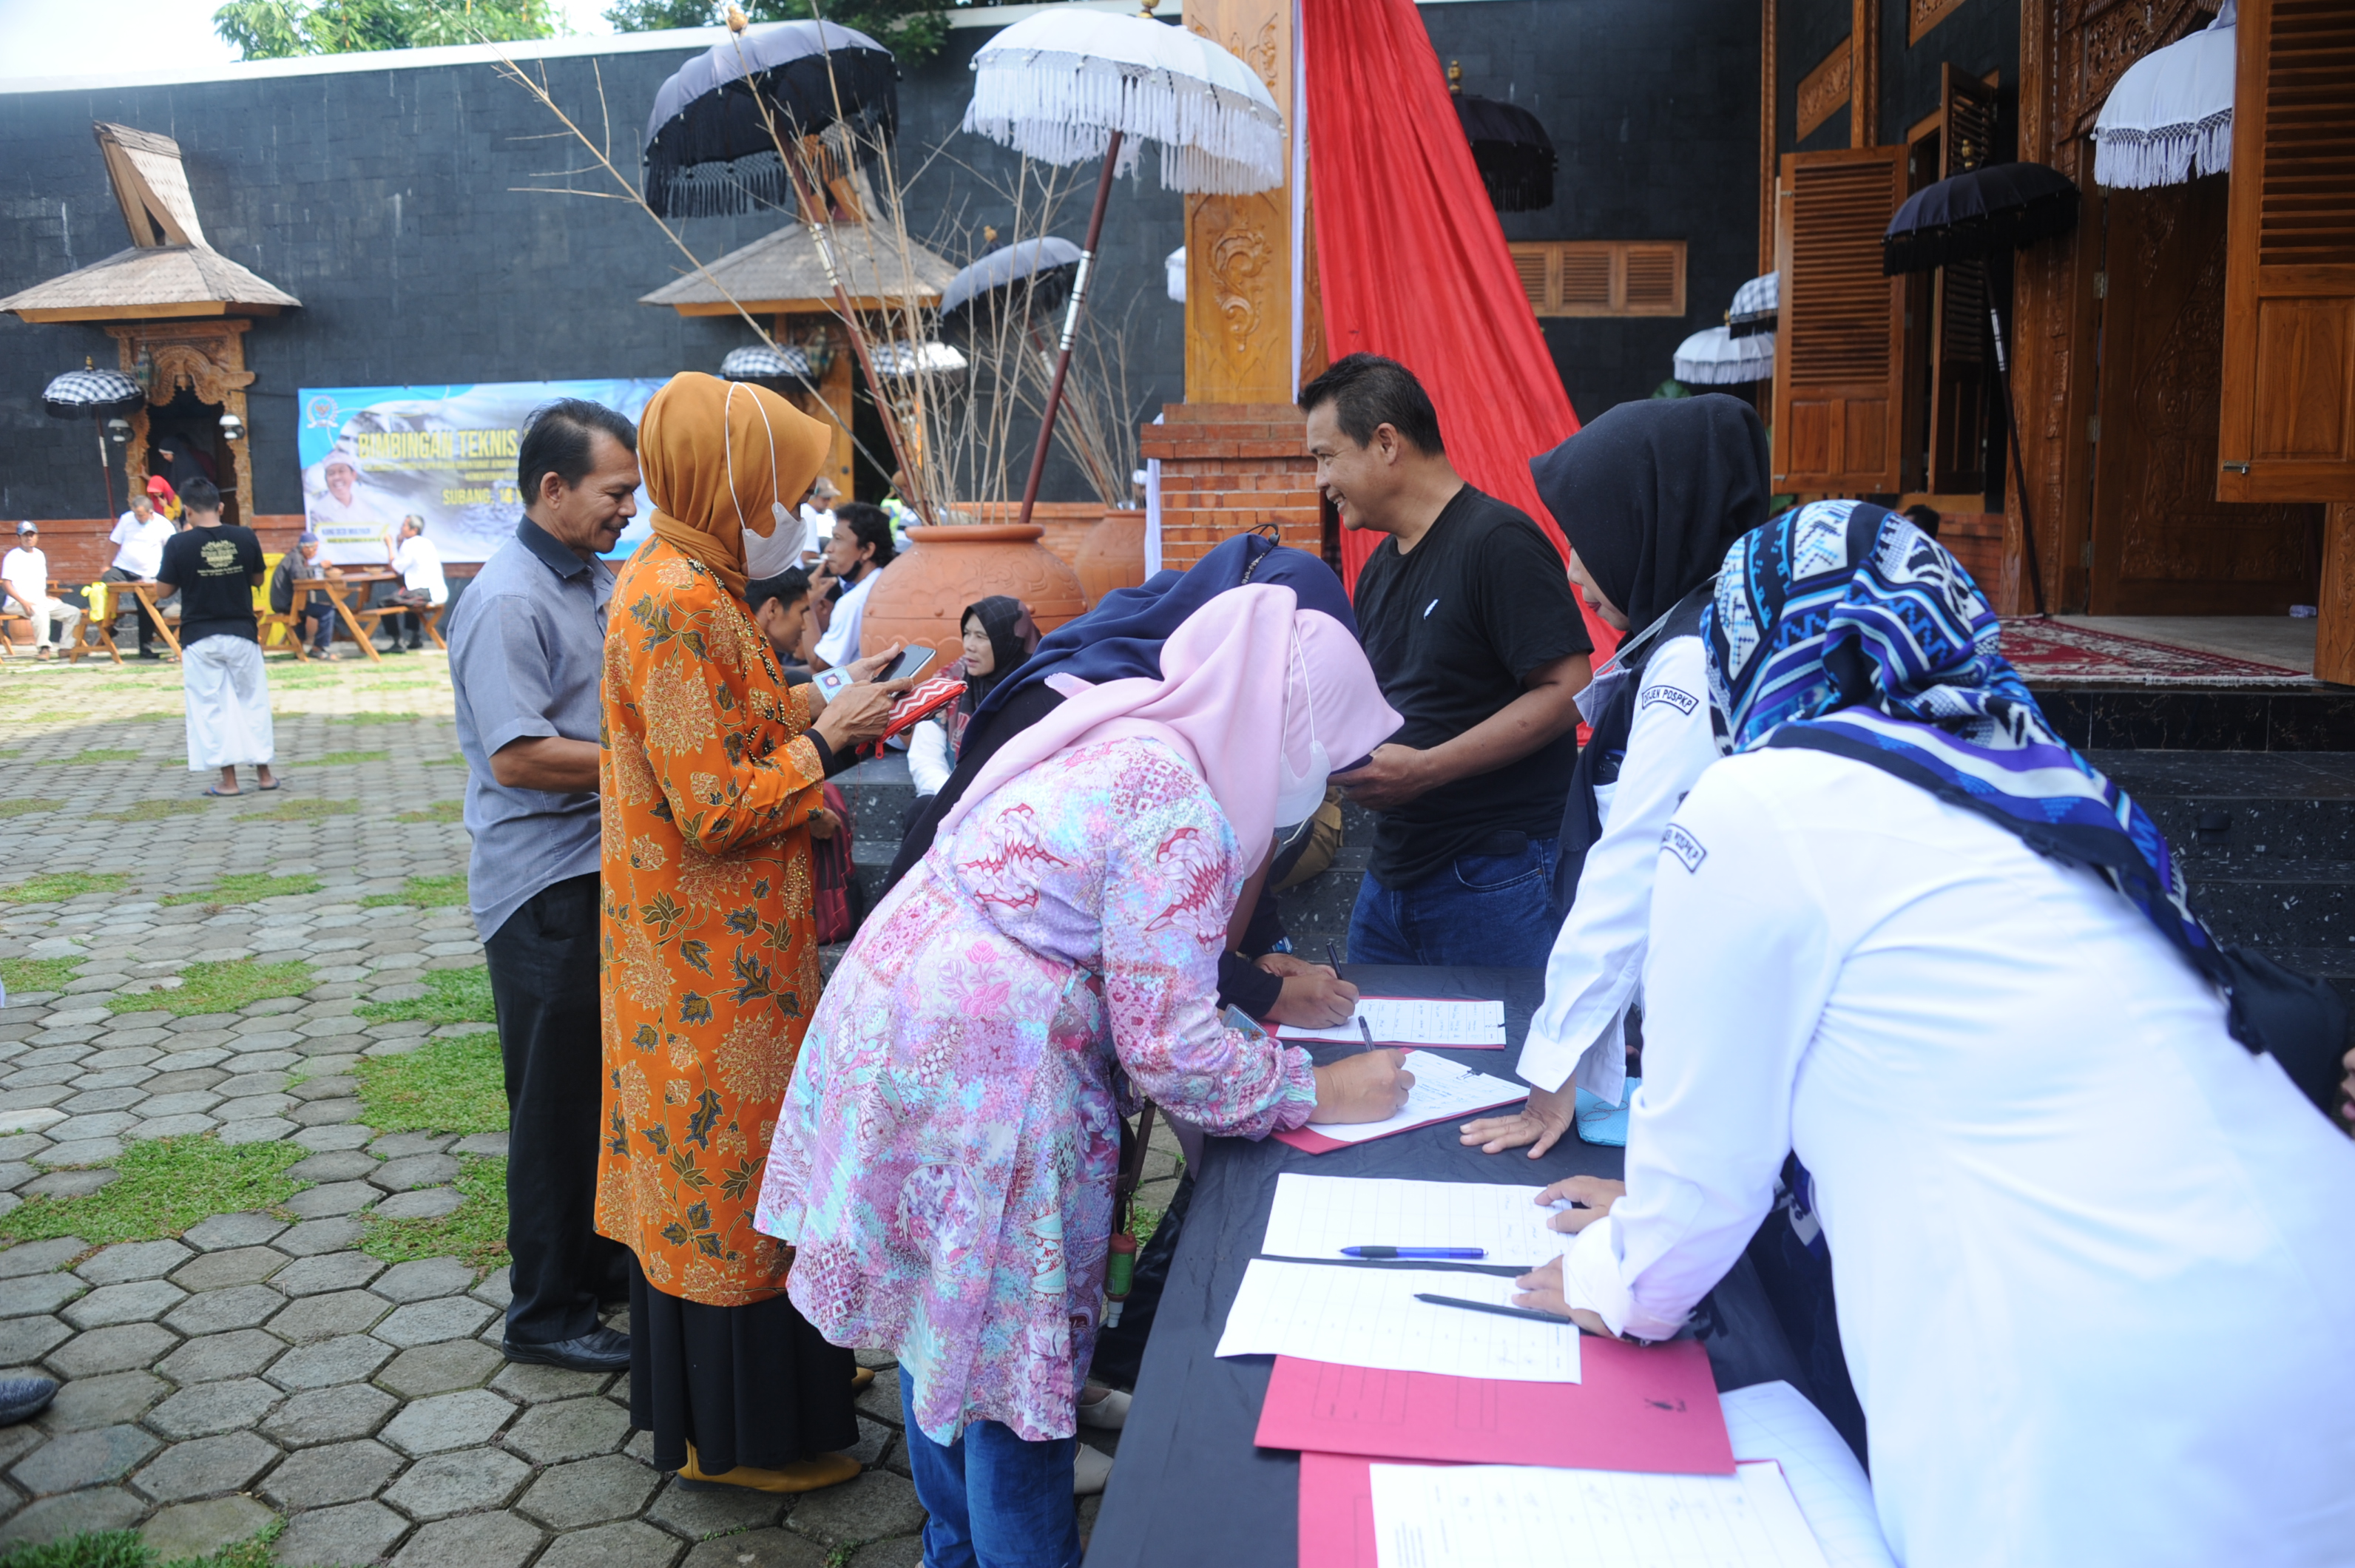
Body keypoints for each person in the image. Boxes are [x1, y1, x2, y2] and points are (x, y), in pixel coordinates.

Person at [1514, 501, 2355, 1567]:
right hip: (2314, 1322)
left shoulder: (1757, 801)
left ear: (1750, 640)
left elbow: (1698, 1197)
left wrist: (1610, 1278)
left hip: (2099, 1418)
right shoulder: (2049, 790)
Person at [757, 584, 1416, 1568]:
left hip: (902, 1013)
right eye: (1325, 750)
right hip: (987, 1063)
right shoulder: (1183, 805)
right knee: (1015, 1363)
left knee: (946, 1316)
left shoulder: (1129, 731)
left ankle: (953, 1549)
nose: (1324, 781)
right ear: (1287, 721)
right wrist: (1318, 1089)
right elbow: (1173, 1045)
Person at [599, 373, 910, 1492]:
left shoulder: (697, 578)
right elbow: (714, 804)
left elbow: (733, 716)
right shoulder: (676, 599)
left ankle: (777, 1391)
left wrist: (825, 696)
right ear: (724, 485)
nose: (803, 514)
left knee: (753, 1170)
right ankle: (738, 1441)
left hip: (723, 951)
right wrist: (824, 747)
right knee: (729, 1186)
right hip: (706, 961)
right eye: (782, 488)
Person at [885, 532, 1368, 1031]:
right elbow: (1156, 950)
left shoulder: (1192, 692)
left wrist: (1267, 947)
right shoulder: (1141, 747)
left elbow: (1229, 840)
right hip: (957, 1001)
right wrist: (1276, 1009)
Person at [1462, 396, 1771, 1155]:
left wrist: (1551, 1071)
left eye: (1587, 537)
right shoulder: (1710, 630)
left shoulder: (1693, 662)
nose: (1571, 568)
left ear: (1650, 526)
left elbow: (1630, 869)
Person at [445, 399, 643, 1373]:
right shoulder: (508, 599)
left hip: (599, 871)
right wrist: (653, 767)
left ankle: (599, 1271)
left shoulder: (595, 579)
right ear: (554, 488)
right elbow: (520, 756)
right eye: (615, 494)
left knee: (600, 1096)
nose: (628, 512)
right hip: (545, 887)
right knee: (555, 1108)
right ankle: (545, 1313)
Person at [1302, 354, 1592, 969]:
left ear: (1386, 443)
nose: (1320, 482)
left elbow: (1570, 690)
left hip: (1494, 874)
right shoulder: (1379, 568)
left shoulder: (1497, 541)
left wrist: (1428, 769)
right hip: (1392, 872)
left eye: (1327, 458)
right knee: (1378, 1055)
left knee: (1504, 1063)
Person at [152, 478, 276, 797]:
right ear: (221, 507)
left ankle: (229, 782)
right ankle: (264, 775)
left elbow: (163, 591)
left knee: (211, 707)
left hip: (200, 636)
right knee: (253, 701)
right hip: (242, 633)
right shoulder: (244, 536)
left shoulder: (179, 545)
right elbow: (258, 578)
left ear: (187, 510)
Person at [906, 596, 1038, 805]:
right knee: (921, 808)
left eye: (982, 637)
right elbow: (925, 760)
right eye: (966, 634)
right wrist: (961, 799)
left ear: (1010, 640)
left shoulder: (1038, 688)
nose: (969, 646)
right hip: (954, 800)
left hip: (1018, 803)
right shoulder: (947, 684)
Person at [808, 502, 893, 671]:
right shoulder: (888, 580)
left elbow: (821, 668)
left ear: (867, 550)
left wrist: (807, 605)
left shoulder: (854, 602)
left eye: (838, 539)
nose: (829, 548)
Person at [104, 489, 178, 658]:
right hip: (124, 568)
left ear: (151, 512)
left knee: (146, 608)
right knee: (106, 581)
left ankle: (145, 649)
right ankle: (109, 627)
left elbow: (173, 550)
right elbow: (114, 542)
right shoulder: (126, 519)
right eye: (136, 514)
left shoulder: (163, 525)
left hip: (150, 573)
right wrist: (106, 565)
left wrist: (168, 572)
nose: (138, 518)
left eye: (141, 515)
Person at [4, 523, 80, 660]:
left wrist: (48, 597)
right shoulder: (13, 556)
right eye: (25, 535)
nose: (29, 538)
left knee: (73, 612)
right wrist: (23, 602)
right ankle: (44, 648)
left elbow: (40, 581)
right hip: (16, 602)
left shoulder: (40, 555)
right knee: (40, 612)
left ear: (37, 536)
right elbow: (6, 583)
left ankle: (66, 648)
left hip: (40, 600)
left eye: (31, 534)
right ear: (19, 537)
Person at [268, 533, 342, 658]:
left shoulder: (296, 557)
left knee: (313, 610)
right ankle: (318, 648)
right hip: (286, 604)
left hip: (290, 602)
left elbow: (302, 574)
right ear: (306, 548)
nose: (316, 552)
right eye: (315, 549)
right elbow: (300, 576)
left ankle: (300, 649)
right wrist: (319, 566)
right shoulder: (295, 558)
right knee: (328, 611)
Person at [384, 514, 447, 653]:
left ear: (414, 530)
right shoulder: (426, 542)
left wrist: (389, 546)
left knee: (384, 603)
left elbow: (396, 568)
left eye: (404, 525)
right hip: (437, 591)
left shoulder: (410, 544)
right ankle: (415, 637)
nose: (401, 528)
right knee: (406, 597)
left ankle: (397, 642)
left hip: (424, 593)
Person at [799, 474, 840, 563]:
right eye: (824, 498)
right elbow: (808, 557)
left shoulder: (826, 514)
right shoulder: (809, 513)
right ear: (813, 497)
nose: (828, 502)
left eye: (829, 499)